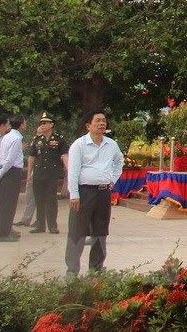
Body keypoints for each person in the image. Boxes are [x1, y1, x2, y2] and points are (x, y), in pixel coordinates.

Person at [66, 110, 124, 276]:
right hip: (84, 193)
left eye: (104, 121)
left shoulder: (111, 144)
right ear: (88, 125)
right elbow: (73, 171)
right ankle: (72, 271)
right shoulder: (79, 145)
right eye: (97, 121)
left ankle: (96, 270)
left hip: (103, 193)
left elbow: (119, 162)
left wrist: (112, 179)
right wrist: (74, 194)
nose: (102, 124)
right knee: (77, 229)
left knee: (100, 230)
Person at [27, 114, 68, 234]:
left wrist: (68, 171)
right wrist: (29, 174)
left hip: (52, 174)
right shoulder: (36, 139)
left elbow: (65, 155)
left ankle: (52, 225)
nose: (42, 125)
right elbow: (31, 157)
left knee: (51, 200)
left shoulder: (59, 139)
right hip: (39, 173)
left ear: (52, 124)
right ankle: (40, 225)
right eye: (41, 123)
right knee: (39, 200)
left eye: (45, 123)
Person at [0, 115, 26, 241]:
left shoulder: (7, 136)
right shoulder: (16, 138)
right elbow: (10, 160)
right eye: (24, 122)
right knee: (8, 204)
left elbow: (0, 157)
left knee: (5, 203)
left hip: (5, 171)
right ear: (21, 125)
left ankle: (4, 231)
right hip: (11, 172)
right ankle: (2, 234)